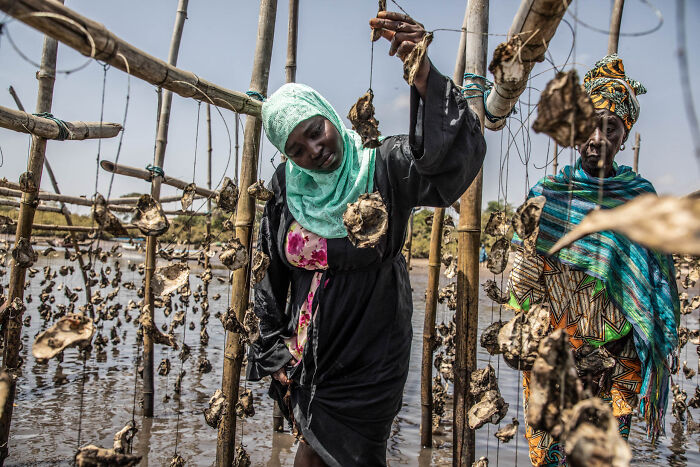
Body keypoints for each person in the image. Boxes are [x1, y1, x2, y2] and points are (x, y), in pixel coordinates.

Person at [246, 11, 486, 467]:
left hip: (371, 356)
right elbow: (269, 270)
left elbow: (444, 165)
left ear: (329, 116)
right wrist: (275, 349)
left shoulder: (382, 162)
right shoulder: (286, 187)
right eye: (297, 148)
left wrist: (424, 76)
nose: (314, 151)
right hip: (309, 360)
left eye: (315, 131)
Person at [506, 54, 679, 466]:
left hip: (614, 362)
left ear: (624, 136)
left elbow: (654, 285)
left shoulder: (639, 198)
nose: (597, 138)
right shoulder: (548, 194)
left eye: (611, 128)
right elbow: (520, 283)